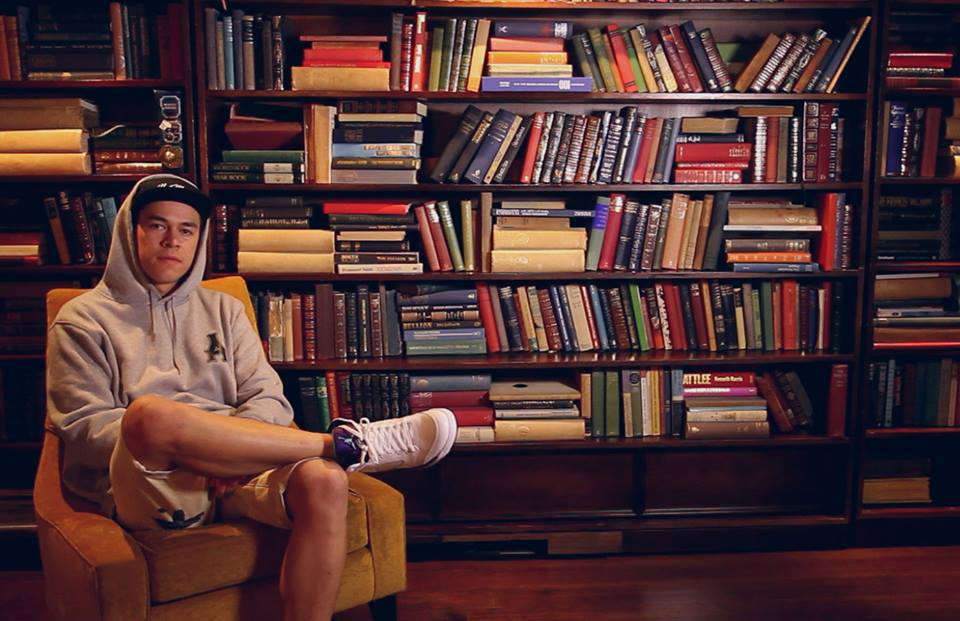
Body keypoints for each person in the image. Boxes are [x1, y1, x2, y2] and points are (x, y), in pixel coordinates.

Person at [46, 174, 457, 621]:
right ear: (131, 232)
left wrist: (232, 454)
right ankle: (346, 444)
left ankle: (339, 458)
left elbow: (268, 397)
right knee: (149, 416)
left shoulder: (224, 309)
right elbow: (85, 429)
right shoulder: (82, 319)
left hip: (238, 473)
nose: (172, 240)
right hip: (151, 481)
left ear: (200, 239)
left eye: (187, 230)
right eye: (157, 225)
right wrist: (199, 451)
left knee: (325, 480)